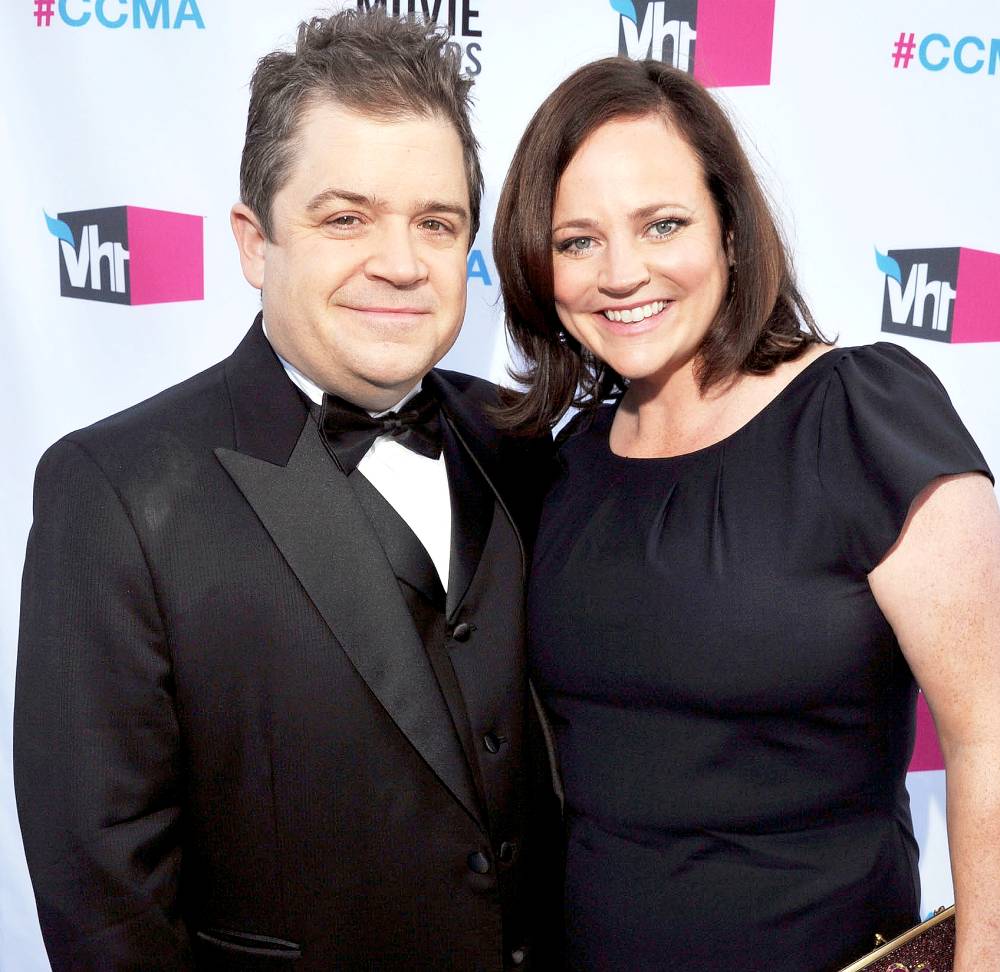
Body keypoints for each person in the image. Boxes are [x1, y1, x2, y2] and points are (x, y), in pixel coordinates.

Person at [14, 11, 561, 970]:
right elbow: (106, 905)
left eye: (435, 223)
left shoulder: (519, 441)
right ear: (253, 241)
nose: (399, 262)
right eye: (345, 217)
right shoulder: (114, 492)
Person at [493, 57, 1000, 972]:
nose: (622, 273)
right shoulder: (566, 465)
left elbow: (991, 731)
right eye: (577, 241)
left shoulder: (860, 419)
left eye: (663, 224)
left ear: (730, 231)